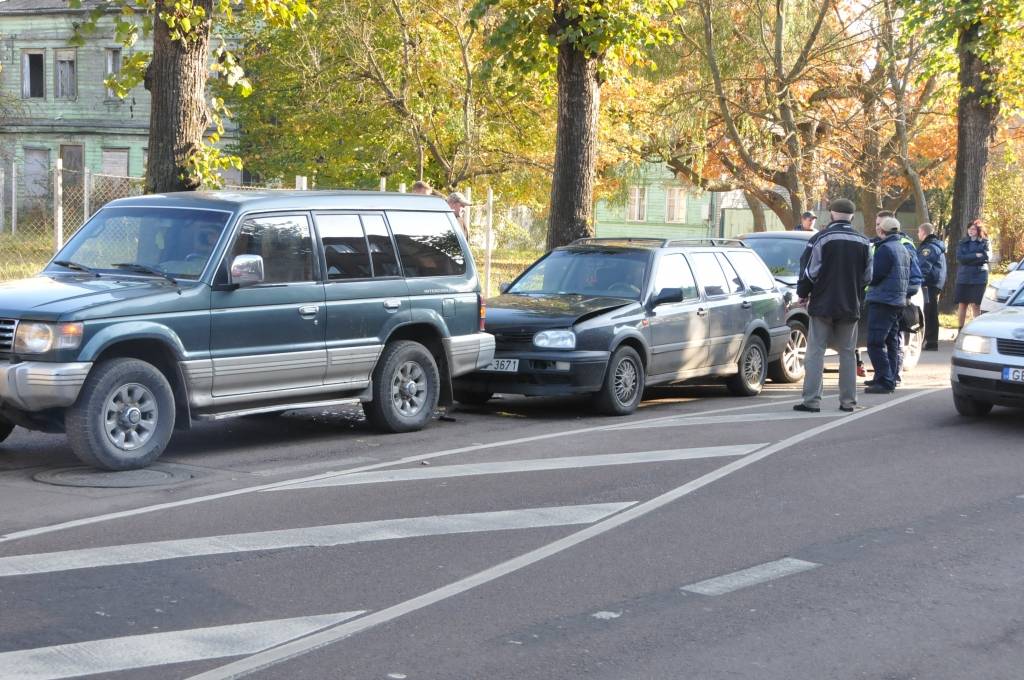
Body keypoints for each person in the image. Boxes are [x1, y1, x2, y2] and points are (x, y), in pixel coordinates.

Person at [794, 198, 872, 413]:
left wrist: (803, 293)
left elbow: (810, 270)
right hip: (850, 303)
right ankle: (848, 402)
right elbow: (868, 276)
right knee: (848, 353)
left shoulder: (822, 238)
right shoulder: (864, 242)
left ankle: (811, 400)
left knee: (816, 351)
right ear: (852, 216)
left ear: (831, 214)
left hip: (823, 302)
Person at [864, 216, 920, 394]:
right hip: (897, 301)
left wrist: (864, 277)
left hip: (882, 300)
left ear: (882, 231)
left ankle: (885, 379)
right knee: (891, 340)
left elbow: (876, 276)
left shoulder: (885, 249)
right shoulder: (902, 248)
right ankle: (889, 377)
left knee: (875, 342)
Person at [955, 219, 991, 331]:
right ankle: (960, 330)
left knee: (976, 305)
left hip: (979, 277)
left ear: (978, 230)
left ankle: (977, 331)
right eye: (969, 229)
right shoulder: (963, 242)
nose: (971, 231)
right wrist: (976, 255)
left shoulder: (985, 242)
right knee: (962, 304)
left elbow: (987, 257)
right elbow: (960, 258)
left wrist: (969, 258)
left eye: (973, 229)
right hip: (964, 276)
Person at [916, 223, 946, 350]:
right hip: (935, 282)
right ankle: (930, 340)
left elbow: (923, 266)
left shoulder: (928, 248)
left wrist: (917, 281)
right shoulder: (935, 245)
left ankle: (931, 341)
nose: (918, 234)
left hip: (929, 283)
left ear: (923, 232)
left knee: (929, 312)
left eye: (918, 232)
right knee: (930, 311)